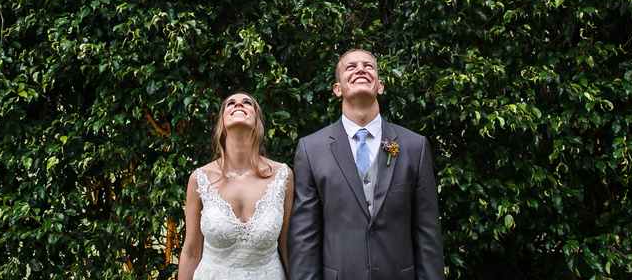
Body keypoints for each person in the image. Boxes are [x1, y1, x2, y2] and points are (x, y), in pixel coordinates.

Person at [288, 49, 444, 280]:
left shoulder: (415, 146)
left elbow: (427, 232)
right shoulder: (312, 150)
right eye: (350, 67)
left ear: (380, 86)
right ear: (337, 89)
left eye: (368, 66)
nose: (360, 69)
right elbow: (304, 237)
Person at [178, 92, 294, 280]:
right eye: (230, 103)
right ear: (222, 125)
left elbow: (289, 245)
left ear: (257, 124)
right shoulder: (200, 179)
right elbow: (191, 251)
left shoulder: (282, 176)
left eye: (247, 103)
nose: (238, 105)